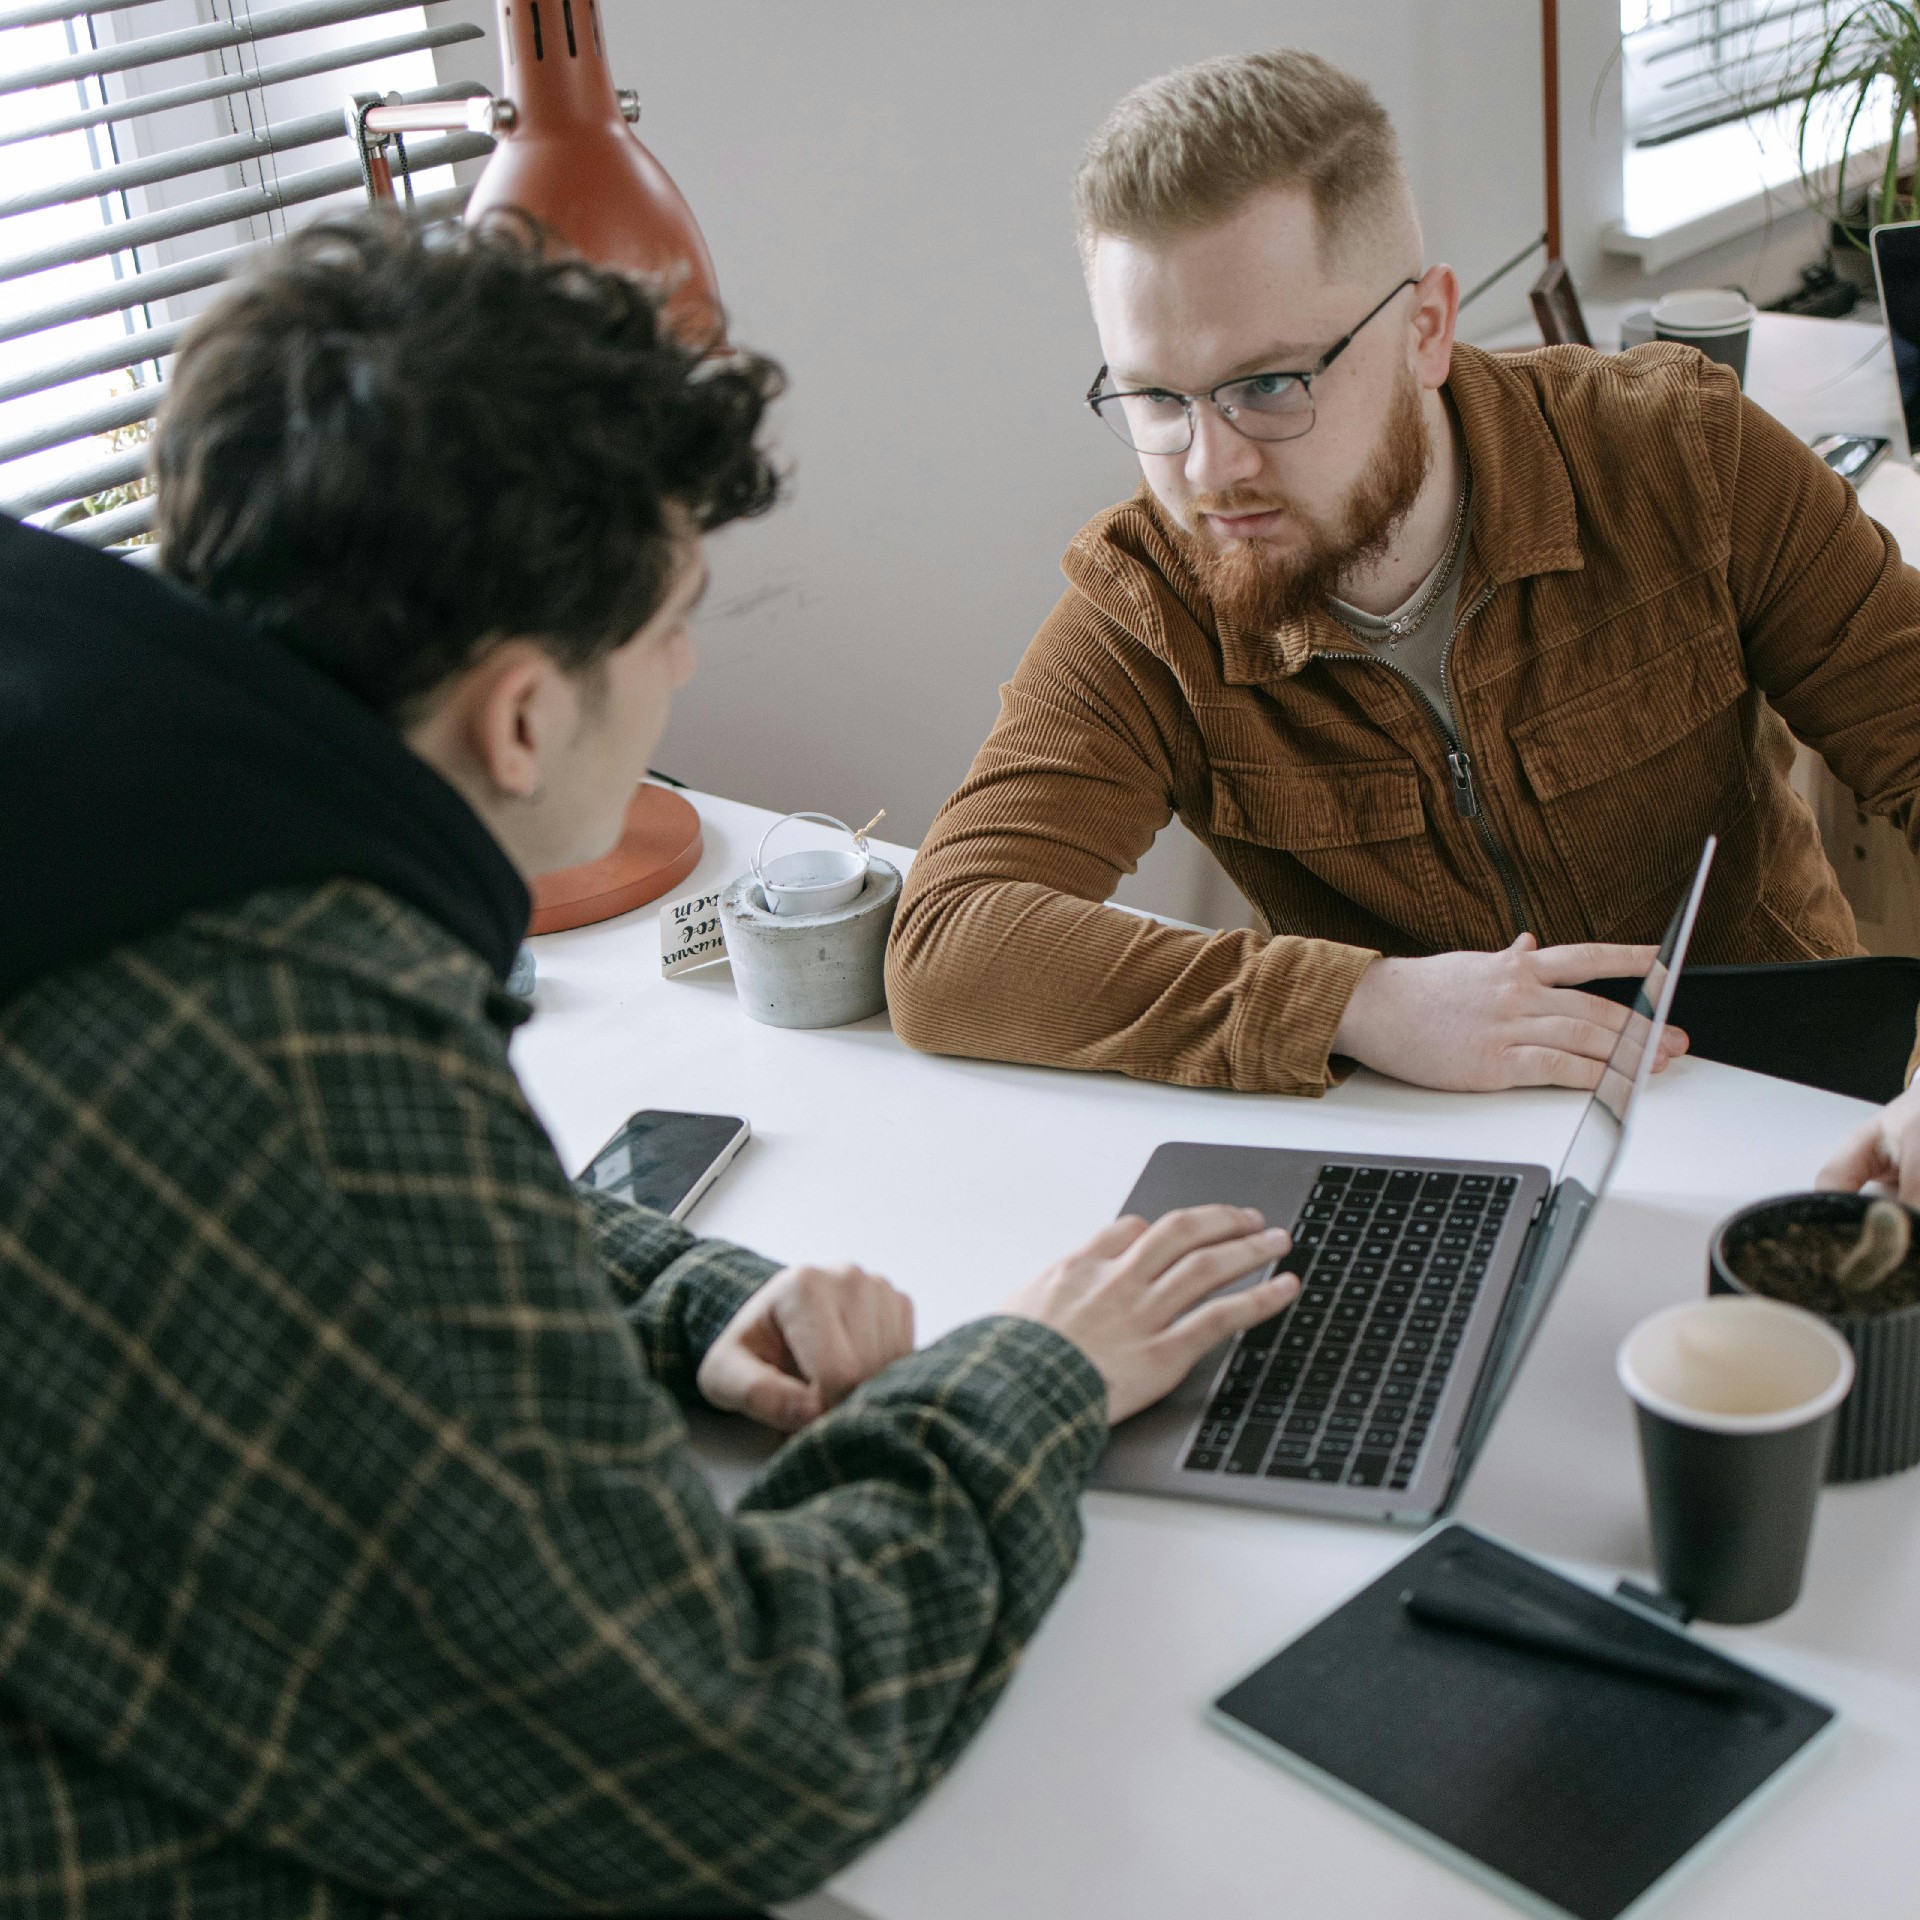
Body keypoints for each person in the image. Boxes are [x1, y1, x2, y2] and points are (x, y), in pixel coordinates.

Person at [0, 213, 1298, 1918]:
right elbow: (744, 1743)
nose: (689, 665)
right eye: (678, 619)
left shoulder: (118, 822)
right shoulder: (291, 1059)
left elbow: (318, 1254)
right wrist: (1030, 1370)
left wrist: (686, 1301)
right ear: (524, 716)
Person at [887, 47, 1920, 1100]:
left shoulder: (1680, 453)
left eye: (1269, 382)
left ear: (1426, 328)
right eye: (1156, 397)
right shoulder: (1152, 600)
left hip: (1771, 1089)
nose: (1208, 469)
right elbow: (948, 943)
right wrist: (1360, 1003)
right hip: (1425, 1132)